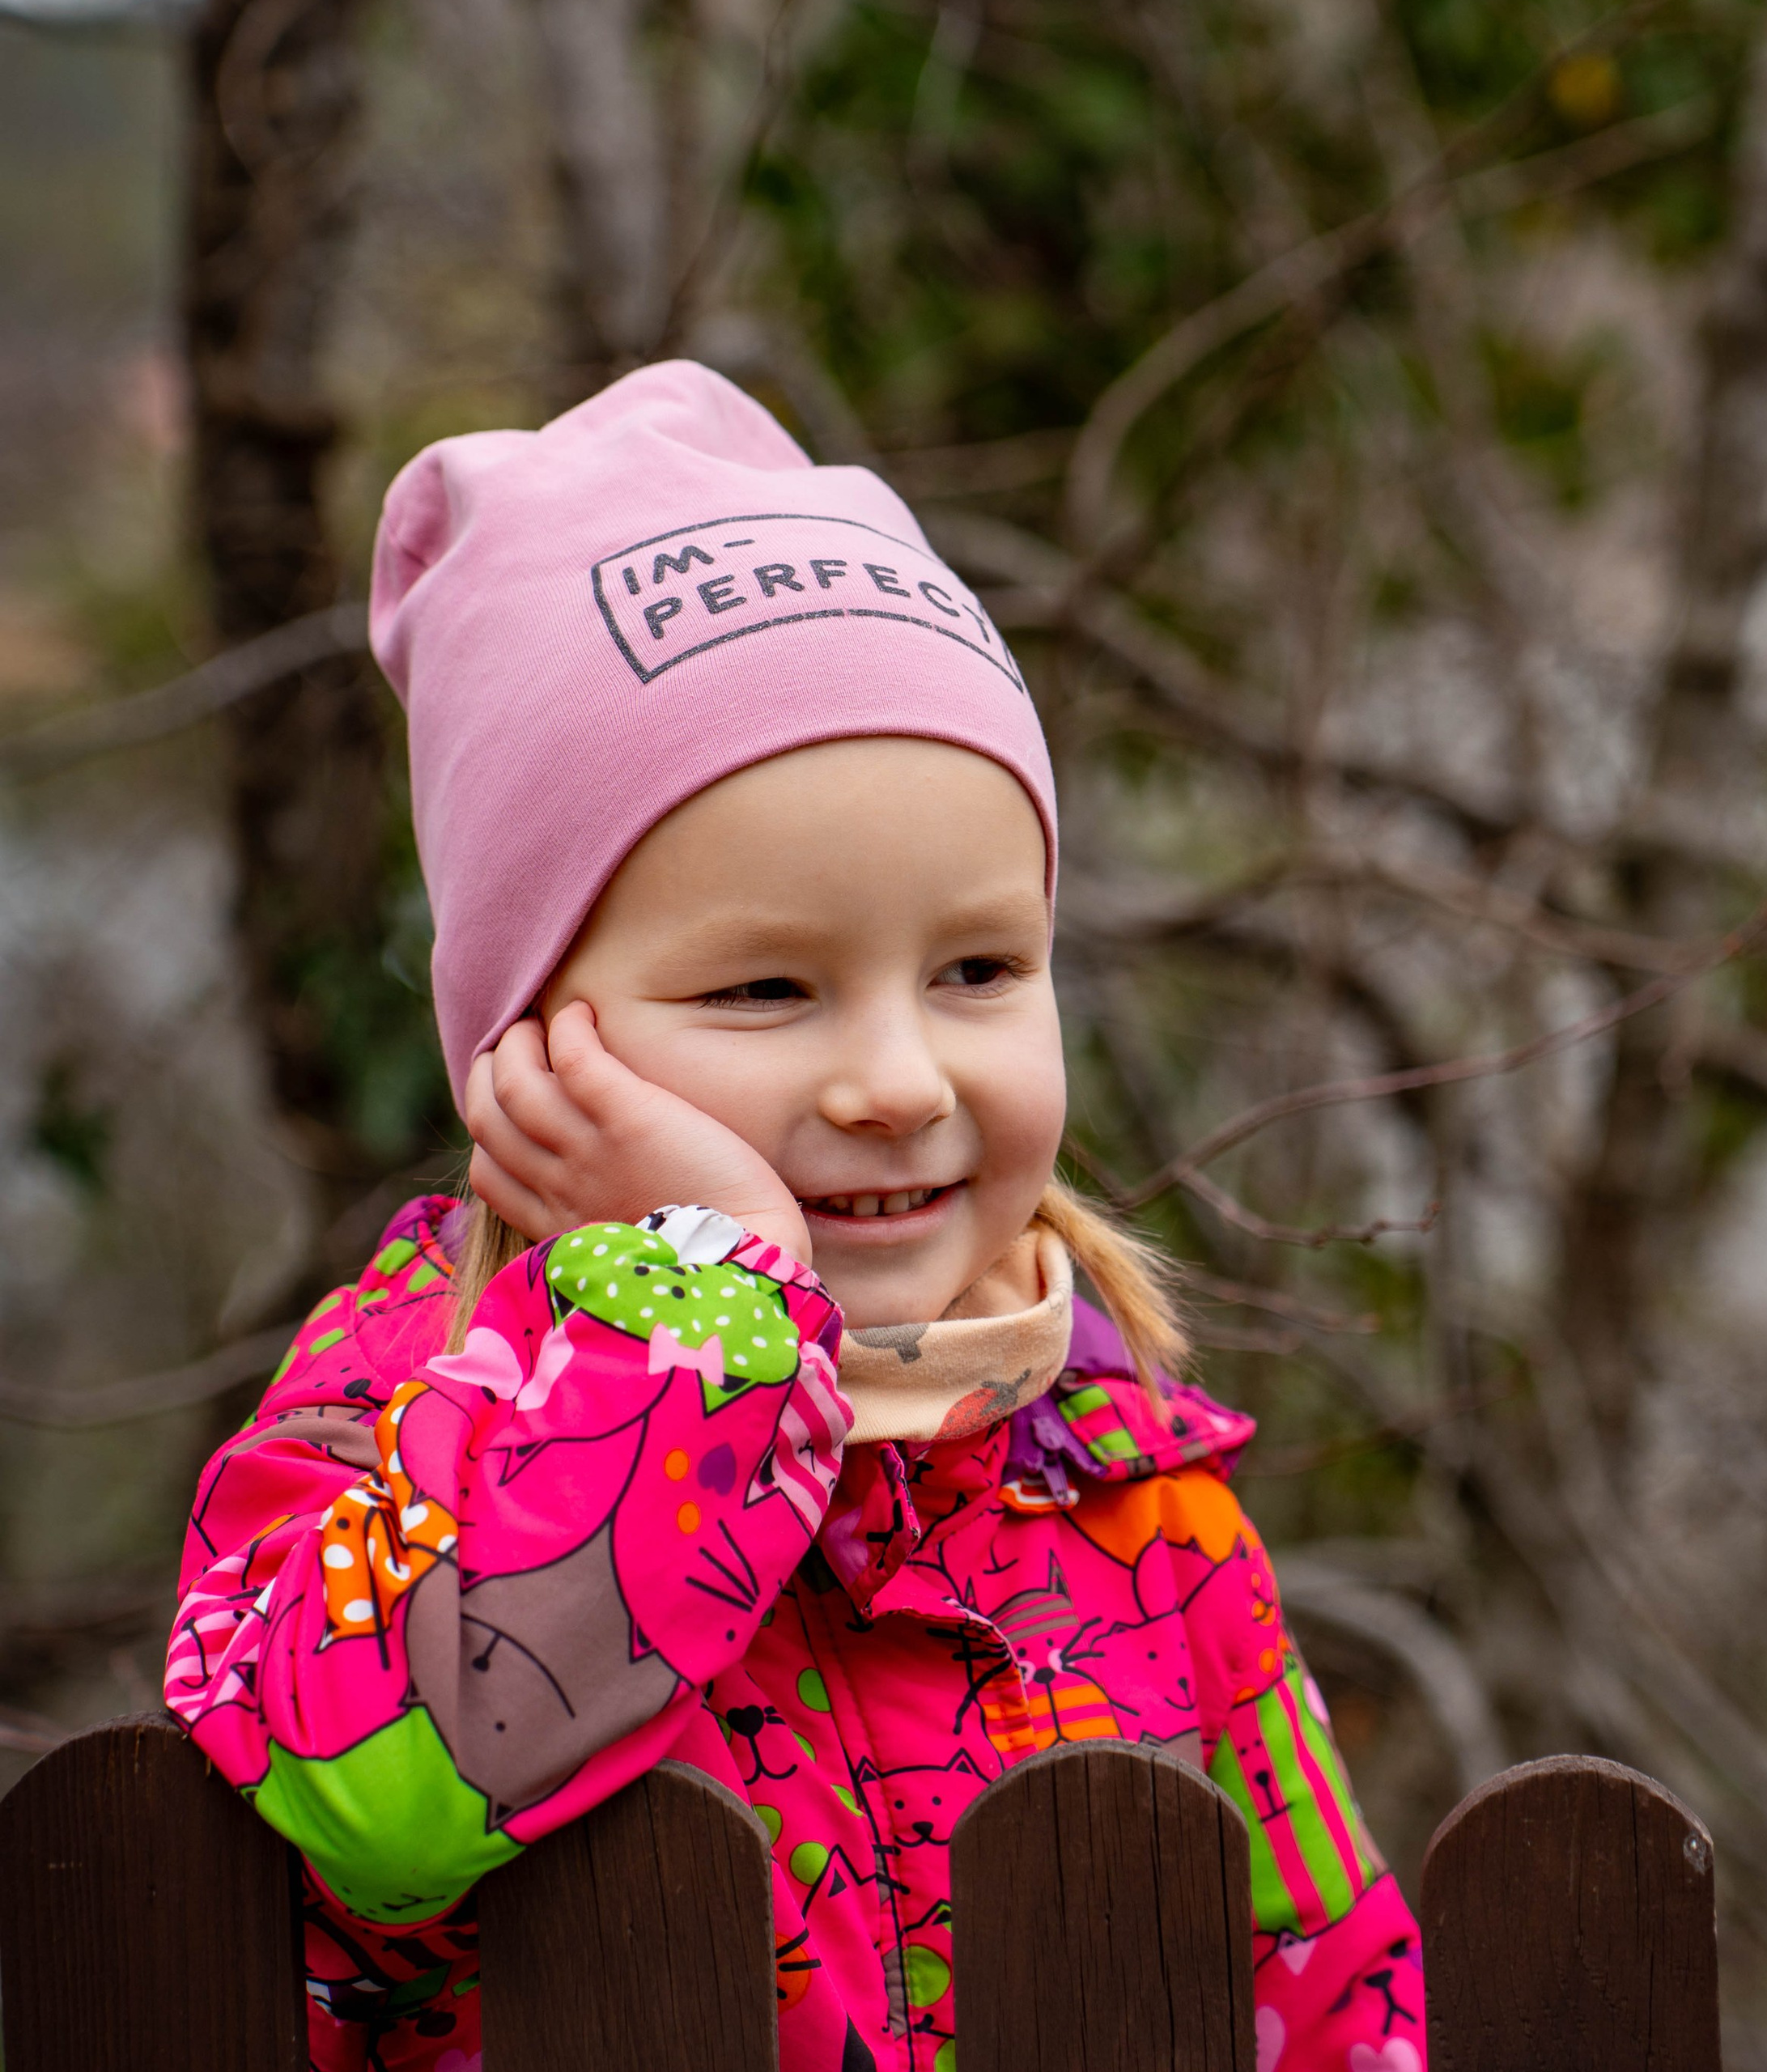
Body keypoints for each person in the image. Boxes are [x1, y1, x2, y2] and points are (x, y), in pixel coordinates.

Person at [164, 361, 1425, 2072]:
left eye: (977, 967)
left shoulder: (1138, 1502)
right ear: (526, 1037)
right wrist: (701, 1305)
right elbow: (382, 1806)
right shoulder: (380, 1434)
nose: (899, 1078)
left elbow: (1328, 2003)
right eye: (767, 986)